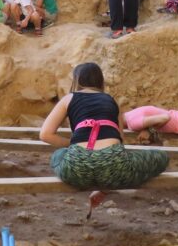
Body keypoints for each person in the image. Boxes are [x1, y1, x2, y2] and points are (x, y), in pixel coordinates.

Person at [41, 62, 168, 199]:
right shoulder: (111, 100)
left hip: (77, 169)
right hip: (113, 169)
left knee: (58, 155)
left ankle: (96, 177)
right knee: (161, 157)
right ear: (100, 81)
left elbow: (45, 134)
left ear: (76, 81)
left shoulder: (68, 99)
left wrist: (71, 145)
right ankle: (106, 185)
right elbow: (120, 141)